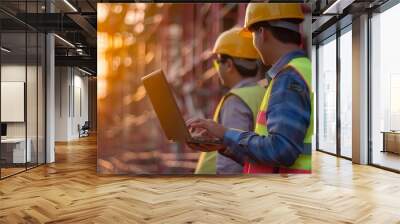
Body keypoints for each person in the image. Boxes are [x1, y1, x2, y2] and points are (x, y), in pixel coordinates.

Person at [187, 3, 313, 174]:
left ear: (262, 33)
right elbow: (270, 154)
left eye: (252, 35)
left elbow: (281, 150)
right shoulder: (303, 69)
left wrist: (225, 133)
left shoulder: (289, 77)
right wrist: (225, 144)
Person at [192, 27, 265, 174]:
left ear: (229, 65)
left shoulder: (236, 100)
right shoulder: (262, 92)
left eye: (217, 63)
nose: (217, 68)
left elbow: (232, 158)